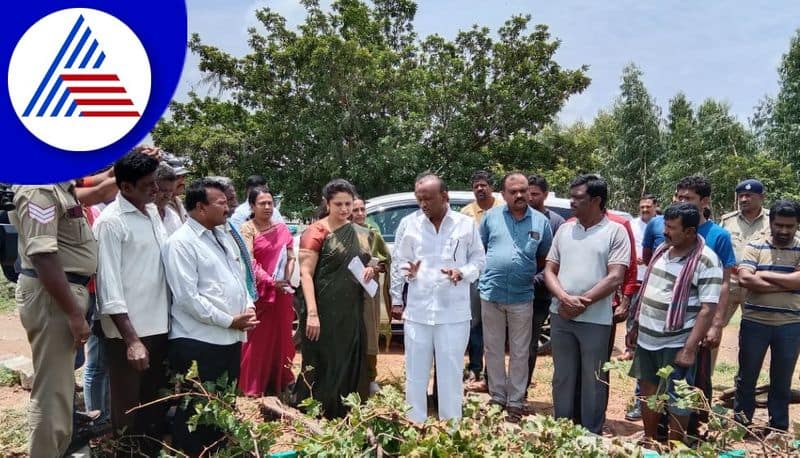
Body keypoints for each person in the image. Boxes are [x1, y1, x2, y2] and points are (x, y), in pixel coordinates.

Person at [162, 178, 258, 455]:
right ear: (201, 208)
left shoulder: (223, 235)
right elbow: (188, 298)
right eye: (221, 203)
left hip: (227, 339)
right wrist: (229, 320)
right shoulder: (180, 243)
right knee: (196, 410)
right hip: (198, 341)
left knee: (223, 406)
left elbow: (239, 278)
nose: (228, 207)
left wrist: (248, 306)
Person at [9, 182, 96, 457]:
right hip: (55, 297)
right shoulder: (39, 189)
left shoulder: (61, 187)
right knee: (52, 393)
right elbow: (43, 256)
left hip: (63, 294)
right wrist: (73, 313)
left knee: (60, 391)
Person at [391, 173, 486, 423]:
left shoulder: (465, 225)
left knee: (450, 374)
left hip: (453, 314)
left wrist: (462, 272)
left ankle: (451, 428)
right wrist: (407, 274)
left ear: (445, 197)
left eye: (428, 199)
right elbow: (400, 261)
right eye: (419, 199)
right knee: (415, 373)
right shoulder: (409, 225)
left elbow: (479, 260)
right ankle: (415, 425)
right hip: (419, 313)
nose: (423, 204)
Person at [93, 151, 171, 453]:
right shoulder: (111, 223)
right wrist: (131, 340)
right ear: (125, 187)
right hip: (129, 332)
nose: (156, 189)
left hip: (159, 325)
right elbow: (108, 287)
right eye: (148, 184)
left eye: (155, 182)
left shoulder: (151, 213)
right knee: (128, 407)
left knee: (154, 402)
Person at [627, 203, 722, 444]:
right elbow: (648, 290)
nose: (665, 232)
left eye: (671, 228)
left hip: (677, 342)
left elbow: (707, 308)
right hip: (648, 339)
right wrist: (635, 327)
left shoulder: (706, 260)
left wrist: (689, 348)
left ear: (690, 232)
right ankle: (650, 439)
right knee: (648, 391)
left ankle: (675, 445)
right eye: (665, 226)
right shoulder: (661, 250)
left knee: (678, 397)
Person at [543, 174, 630, 434]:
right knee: (563, 376)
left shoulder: (616, 232)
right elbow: (549, 269)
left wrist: (583, 302)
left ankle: (590, 432)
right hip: (561, 316)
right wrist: (564, 298)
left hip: (595, 318)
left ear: (596, 200)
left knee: (594, 378)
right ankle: (562, 429)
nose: (571, 203)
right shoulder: (565, 229)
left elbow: (616, 276)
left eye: (577, 198)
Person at [292, 179, 375, 418]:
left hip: (351, 308)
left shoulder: (360, 232)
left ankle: (347, 409)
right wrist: (313, 314)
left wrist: (371, 270)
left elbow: (366, 264)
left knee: (349, 358)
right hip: (322, 310)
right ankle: (318, 409)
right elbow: (306, 274)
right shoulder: (316, 231)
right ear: (327, 204)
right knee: (323, 360)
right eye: (338, 204)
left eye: (348, 204)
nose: (344, 209)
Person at [479, 172, 552, 422]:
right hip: (491, 294)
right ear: (504, 195)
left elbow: (544, 259)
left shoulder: (541, 222)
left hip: (522, 297)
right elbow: (481, 250)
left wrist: (527, 275)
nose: (520, 195)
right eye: (514, 191)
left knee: (521, 351)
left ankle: (516, 401)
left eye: (523, 190)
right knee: (494, 348)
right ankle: (498, 396)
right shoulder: (490, 218)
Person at [673, 175, 736, 435]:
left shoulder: (718, 235)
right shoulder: (670, 227)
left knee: (697, 374)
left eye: (689, 198)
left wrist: (717, 324)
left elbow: (724, 282)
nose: (682, 202)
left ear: (705, 201)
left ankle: (695, 427)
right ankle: (667, 423)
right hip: (670, 319)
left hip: (700, 317)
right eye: (679, 197)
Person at [734, 200, 800, 434]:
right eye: (779, 225)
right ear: (770, 222)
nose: (784, 230)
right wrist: (787, 283)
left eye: (789, 226)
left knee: (782, 379)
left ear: (797, 225)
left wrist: (763, 275)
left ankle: (778, 427)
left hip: (790, 325)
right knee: (746, 377)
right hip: (755, 322)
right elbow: (745, 280)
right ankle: (741, 424)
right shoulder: (755, 245)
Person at [238, 187, 297, 396]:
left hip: (282, 293)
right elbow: (249, 261)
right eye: (262, 203)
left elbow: (290, 257)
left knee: (282, 339)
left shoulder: (281, 228)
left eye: (270, 203)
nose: (267, 207)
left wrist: (285, 279)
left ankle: (278, 383)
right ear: (252, 206)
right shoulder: (247, 229)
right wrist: (270, 282)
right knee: (257, 341)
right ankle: (252, 387)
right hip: (260, 293)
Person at [460, 171, 503, 391]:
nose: (480, 189)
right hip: (475, 277)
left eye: (484, 185)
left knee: (496, 327)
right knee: (475, 324)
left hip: (499, 277)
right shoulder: (466, 213)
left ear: (491, 188)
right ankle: (475, 369)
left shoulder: (504, 209)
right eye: (476, 186)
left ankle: (493, 375)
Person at [525, 174, 565, 400]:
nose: (529, 197)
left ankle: (522, 387)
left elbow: (555, 262)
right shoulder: (517, 217)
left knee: (530, 344)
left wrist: (534, 280)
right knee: (506, 344)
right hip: (513, 294)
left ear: (545, 195)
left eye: (535, 194)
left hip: (539, 295)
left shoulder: (555, 222)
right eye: (527, 193)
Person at [351, 196, 392, 394]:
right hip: (346, 291)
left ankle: (370, 377)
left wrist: (372, 268)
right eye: (355, 209)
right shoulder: (341, 232)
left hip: (368, 289)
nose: (359, 214)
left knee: (369, 333)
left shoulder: (373, 234)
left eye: (362, 210)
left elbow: (384, 262)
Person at [719, 179, 770, 326]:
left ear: (762, 197)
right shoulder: (728, 220)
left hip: (757, 280)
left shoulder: (772, 220)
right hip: (731, 279)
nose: (743, 199)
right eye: (740, 195)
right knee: (715, 323)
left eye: (748, 195)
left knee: (755, 327)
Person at [154, 163, 182, 236]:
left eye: (171, 191)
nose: (167, 196)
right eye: (163, 190)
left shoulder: (174, 217)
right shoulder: (139, 217)